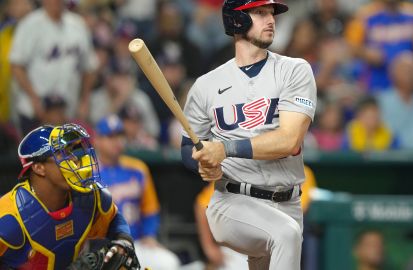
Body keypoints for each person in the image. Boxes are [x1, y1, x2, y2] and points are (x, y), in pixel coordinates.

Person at [180, 0, 317, 269]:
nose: (271, 20)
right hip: (233, 201)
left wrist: (224, 149)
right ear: (236, 20)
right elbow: (188, 149)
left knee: (280, 237)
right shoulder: (206, 86)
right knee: (286, 234)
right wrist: (203, 162)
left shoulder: (294, 70)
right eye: (260, 13)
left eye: (271, 13)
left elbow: (289, 141)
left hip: (287, 201)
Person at [0, 123, 139, 269]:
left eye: (71, 151)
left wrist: (123, 241)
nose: (73, 159)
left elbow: (113, 220)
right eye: (62, 153)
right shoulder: (9, 217)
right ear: (39, 168)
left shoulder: (89, 197)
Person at [94, 115, 180, 270]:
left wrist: (149, 235)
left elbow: (150, 209)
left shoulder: (138, 169)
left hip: (136, 242)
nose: (116, 142)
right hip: (103, 246)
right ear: (97, 141)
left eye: (120, 136)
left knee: (169, 263)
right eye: (110, 137)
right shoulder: (88, 173)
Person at [194, 165, 317, 269]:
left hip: (275, 244)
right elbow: (201, 205)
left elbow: (296, 211)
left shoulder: (302, 172)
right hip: (236, 247)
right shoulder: (243, 167)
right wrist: (209, 248)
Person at [9, 0, 98, 135]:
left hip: (66, 111)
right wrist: (34, 98)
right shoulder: (29, 24)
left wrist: (84, 100)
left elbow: (89, 67)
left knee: (66, 155)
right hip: (34, 111)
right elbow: (16, 65)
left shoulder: (78, 24)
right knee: (35, 155)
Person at [345, 0, 413, 92]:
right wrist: (365, 52)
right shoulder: (364, 14)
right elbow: (351, 48)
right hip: (376, 81)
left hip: (409, 83)